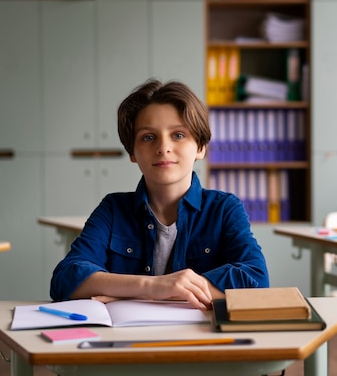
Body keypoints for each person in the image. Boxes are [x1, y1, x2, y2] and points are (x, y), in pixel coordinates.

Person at [50, 78, 269, 309]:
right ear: (132, 152)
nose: (163, 147)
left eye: (178, 135)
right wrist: (154, 286)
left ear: (201, 147)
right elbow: (66, 279)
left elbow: (255, 281)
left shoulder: (224, 208)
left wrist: (131, 294)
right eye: (148, 137)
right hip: (128, 340)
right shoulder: (113, 209)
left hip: (200, 339)